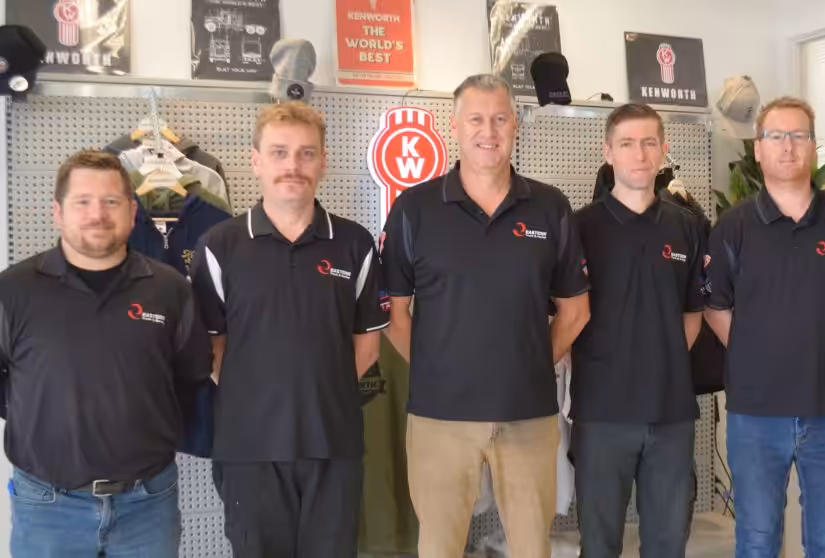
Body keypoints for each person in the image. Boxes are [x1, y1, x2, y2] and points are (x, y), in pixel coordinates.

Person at [380, 74, 591, 558]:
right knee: (439, 547)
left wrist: (530, 365)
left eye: (499, 119)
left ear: (515, 124)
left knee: (532, 547)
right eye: (476, 119)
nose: (488, 131)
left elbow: (575, 311)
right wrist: (438, 370)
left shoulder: (550, 207)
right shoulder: (414, 209)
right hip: (439, 418)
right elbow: (394, 313)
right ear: (454, 126)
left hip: (527, 413)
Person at [189, 102, 390, 558]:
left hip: (333, 445)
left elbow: (367, 348)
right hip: (249, 450)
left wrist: (318, 395)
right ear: (256, 161)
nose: (293, 166)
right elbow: (214, 351)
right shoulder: (219, 246)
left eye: (306, 153)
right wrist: (265, 399)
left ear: (323, 161)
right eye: (279, 153)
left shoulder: (355, 243)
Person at [0, 150, 211, 557]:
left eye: (111, 201)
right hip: (47, 509)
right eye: (83, 201)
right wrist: (45, 419)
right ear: (57, 212)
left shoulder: (170, 290)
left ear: (132, 212)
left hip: (148, 505)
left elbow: (190, 377)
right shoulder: (12, 291)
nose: (97, 214)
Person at [704, 97, 825, 558]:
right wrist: (758, 352)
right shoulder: (733, 227)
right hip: (756, 415)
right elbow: (716, 307)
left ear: (814, 146)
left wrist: (820, 343)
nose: (788, 146)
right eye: (776, 136)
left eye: (799, 135)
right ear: (758, 149)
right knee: (757, 541)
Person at [570, 102, 706, 558]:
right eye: (627, 143)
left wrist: (660, 361)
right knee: (599, 545)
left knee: (667, 545)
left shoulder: (687, 227)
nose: (640, 154)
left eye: (649, 142)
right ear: (607, 151)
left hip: (670, 415)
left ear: (664, 150)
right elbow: (564, 314)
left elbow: (692, 313)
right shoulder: (579, 228)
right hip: (601, 415)